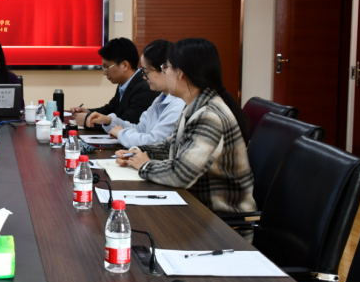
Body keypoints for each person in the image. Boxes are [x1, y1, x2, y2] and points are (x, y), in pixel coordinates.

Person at [117, 38, 256, 214]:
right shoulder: (194, 105)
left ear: (181, 73)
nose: (164, 72)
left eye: (166, 67)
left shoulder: (209, 116)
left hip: (219, 218)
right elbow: (170, 146)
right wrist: (135, 153)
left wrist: (145, 165)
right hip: (197, 205)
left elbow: (181, 174)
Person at [87, 40, 184, 147]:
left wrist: (121, 133)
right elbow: (139, 129)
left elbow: (155, 142)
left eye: (147, 72)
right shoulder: (160, 99)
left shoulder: (179, 105)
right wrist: (109, 121)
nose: (144, 77)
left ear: (165, 69)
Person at [71, 37, 159, 128]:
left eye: (107, 67)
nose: (105, 72)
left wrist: (87, 120)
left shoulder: (144, 87)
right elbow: (110, 109)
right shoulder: (124, 83)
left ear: (124, 65)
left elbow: (128, 122)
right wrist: (89, 112)